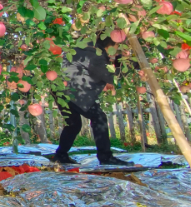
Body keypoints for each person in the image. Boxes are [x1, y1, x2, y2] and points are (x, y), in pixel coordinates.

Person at [45, 34, 133, 166]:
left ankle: (60, 155)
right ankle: (106, 157)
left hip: (60, 90)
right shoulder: (95, 54)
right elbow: (111, 77)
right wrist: (125, 62)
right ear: (109, 45)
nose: (117, 49)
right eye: (116, 46)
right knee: (99, 117)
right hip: (75, 90)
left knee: (73, 124)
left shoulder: (85, 48)